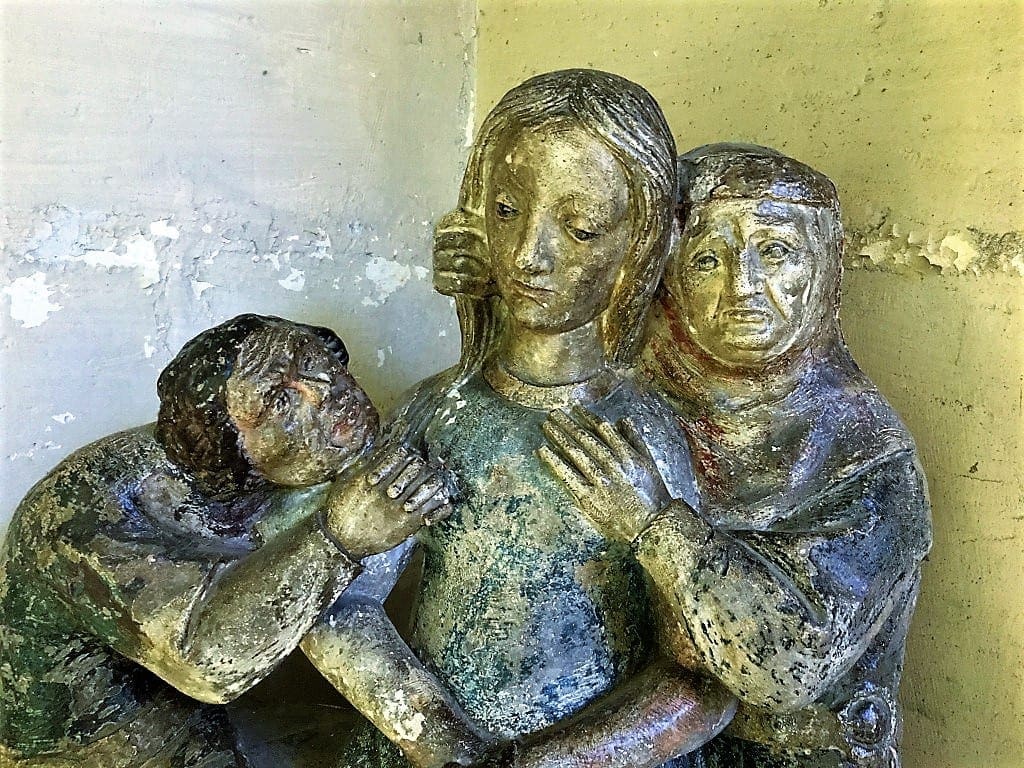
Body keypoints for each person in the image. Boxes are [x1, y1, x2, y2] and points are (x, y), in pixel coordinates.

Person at [301, 70, 735, 768]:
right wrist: (447, 746)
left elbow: (702, 677)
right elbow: (338, 607)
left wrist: (544, 762)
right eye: (506, 211)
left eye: (581, 226)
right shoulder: (438, 413)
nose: (530, 255)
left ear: (639, 242)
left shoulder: (644, 436)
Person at [541, 144, 932, 768]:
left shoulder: (866, 456)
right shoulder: (641, 407)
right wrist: (484, 302)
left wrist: (656, 527)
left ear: (825, 269)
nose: (741, 287)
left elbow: (789, 665)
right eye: (706, 259)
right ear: (665, 277)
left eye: (775, 252)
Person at [0, 314, 450, 767]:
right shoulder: (91, 510)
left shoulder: (299, 466)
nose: (324, 392)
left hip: (200, 712)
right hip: (93, 740)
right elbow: (207, 664)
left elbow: (341, 605)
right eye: (279, 402)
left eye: (314, 361)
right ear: (227, 441)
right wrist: (338, 540)